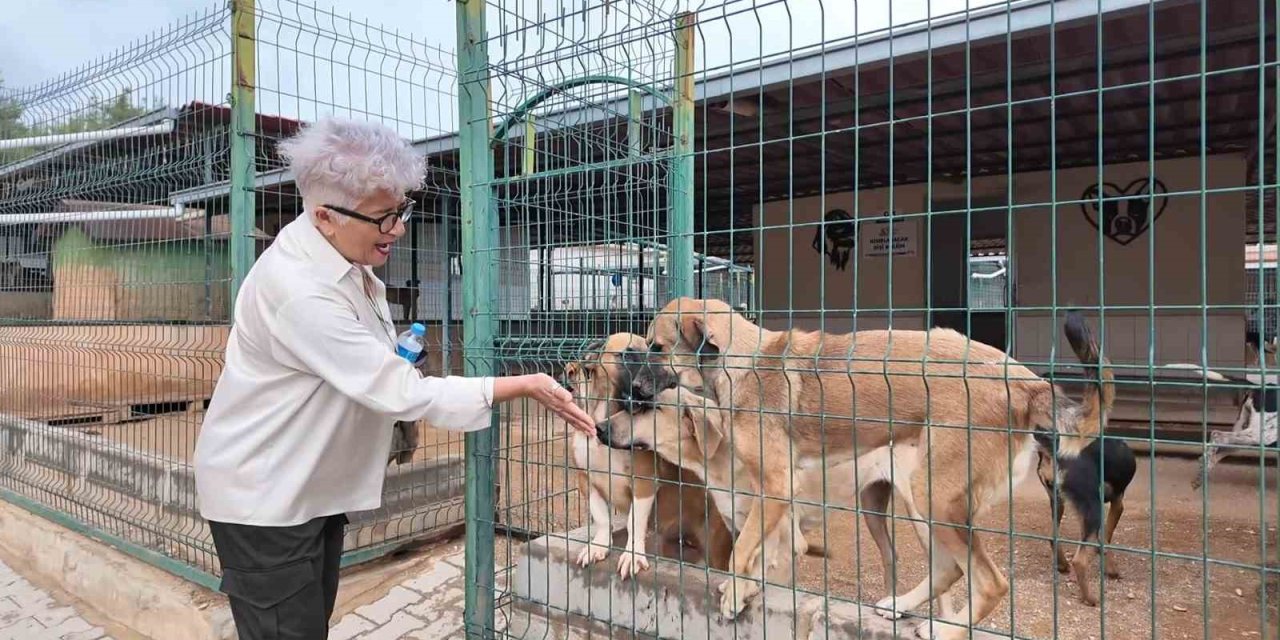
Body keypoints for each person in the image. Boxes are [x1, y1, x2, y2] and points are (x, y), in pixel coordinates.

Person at [192, 117, 596, 639]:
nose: (398, 229)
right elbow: (399, 391)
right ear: (325, 217)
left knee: (309, 624)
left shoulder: (343, 259)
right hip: (264, 496)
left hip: (307, 485)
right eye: (384, 217)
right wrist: (523, 384)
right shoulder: (298, 289)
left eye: (401, 210)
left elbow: (367, 366)